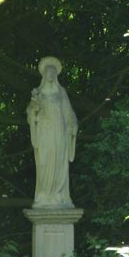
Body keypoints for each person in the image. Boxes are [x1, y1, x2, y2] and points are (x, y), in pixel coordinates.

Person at [27, 57, 78, 209]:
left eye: (53, 72)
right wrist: (34, 107)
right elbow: (30, 114)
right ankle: (45, 195)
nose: (50, 74)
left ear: (56, 75)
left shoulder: (61, 93)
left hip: (60, 132)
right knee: (45, 161)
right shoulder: (38, 94)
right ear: (44, 74)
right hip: (45, 132)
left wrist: (73, 125)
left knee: (59, 161)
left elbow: (69, 113)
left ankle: (59, 195)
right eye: (48, 72)